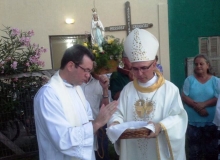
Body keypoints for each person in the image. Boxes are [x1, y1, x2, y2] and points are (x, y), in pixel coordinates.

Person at [108, 28, 188, 160]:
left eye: (144, 68)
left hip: (159, 147)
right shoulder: (127, 90)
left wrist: (161, 126)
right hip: (133, 148)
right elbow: (118, 113)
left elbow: (179, 117)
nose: (139, 74)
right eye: (135, 68)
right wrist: (115, 122)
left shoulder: (169, 89)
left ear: (154, 64)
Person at [34, 44, 118, 160]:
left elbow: (87, 118)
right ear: (71, 65)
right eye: (86, 70)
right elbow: (62, 140)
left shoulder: (77, 89)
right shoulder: (48, 95)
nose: (88, 75)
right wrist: (97, 123)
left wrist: (105, 121)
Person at [182, 54, 220, 160]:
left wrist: (204, 105)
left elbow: (218, 98)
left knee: (211, 152)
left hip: (211, 122)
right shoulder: (189, 80)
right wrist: (198, 107)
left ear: (208, 65)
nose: (198, 66)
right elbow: (184, 96)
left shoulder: (216, 81)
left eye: (201, 64)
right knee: (194, 153)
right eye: (196, 64)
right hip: (192, 123)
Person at [81, 73, 110, 160]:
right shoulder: (75, 84)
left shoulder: (99, 82)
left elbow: (105, 107)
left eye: (88, 69)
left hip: (99, 125)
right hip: (81, 126)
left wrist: (105, 89)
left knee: (102, 153)